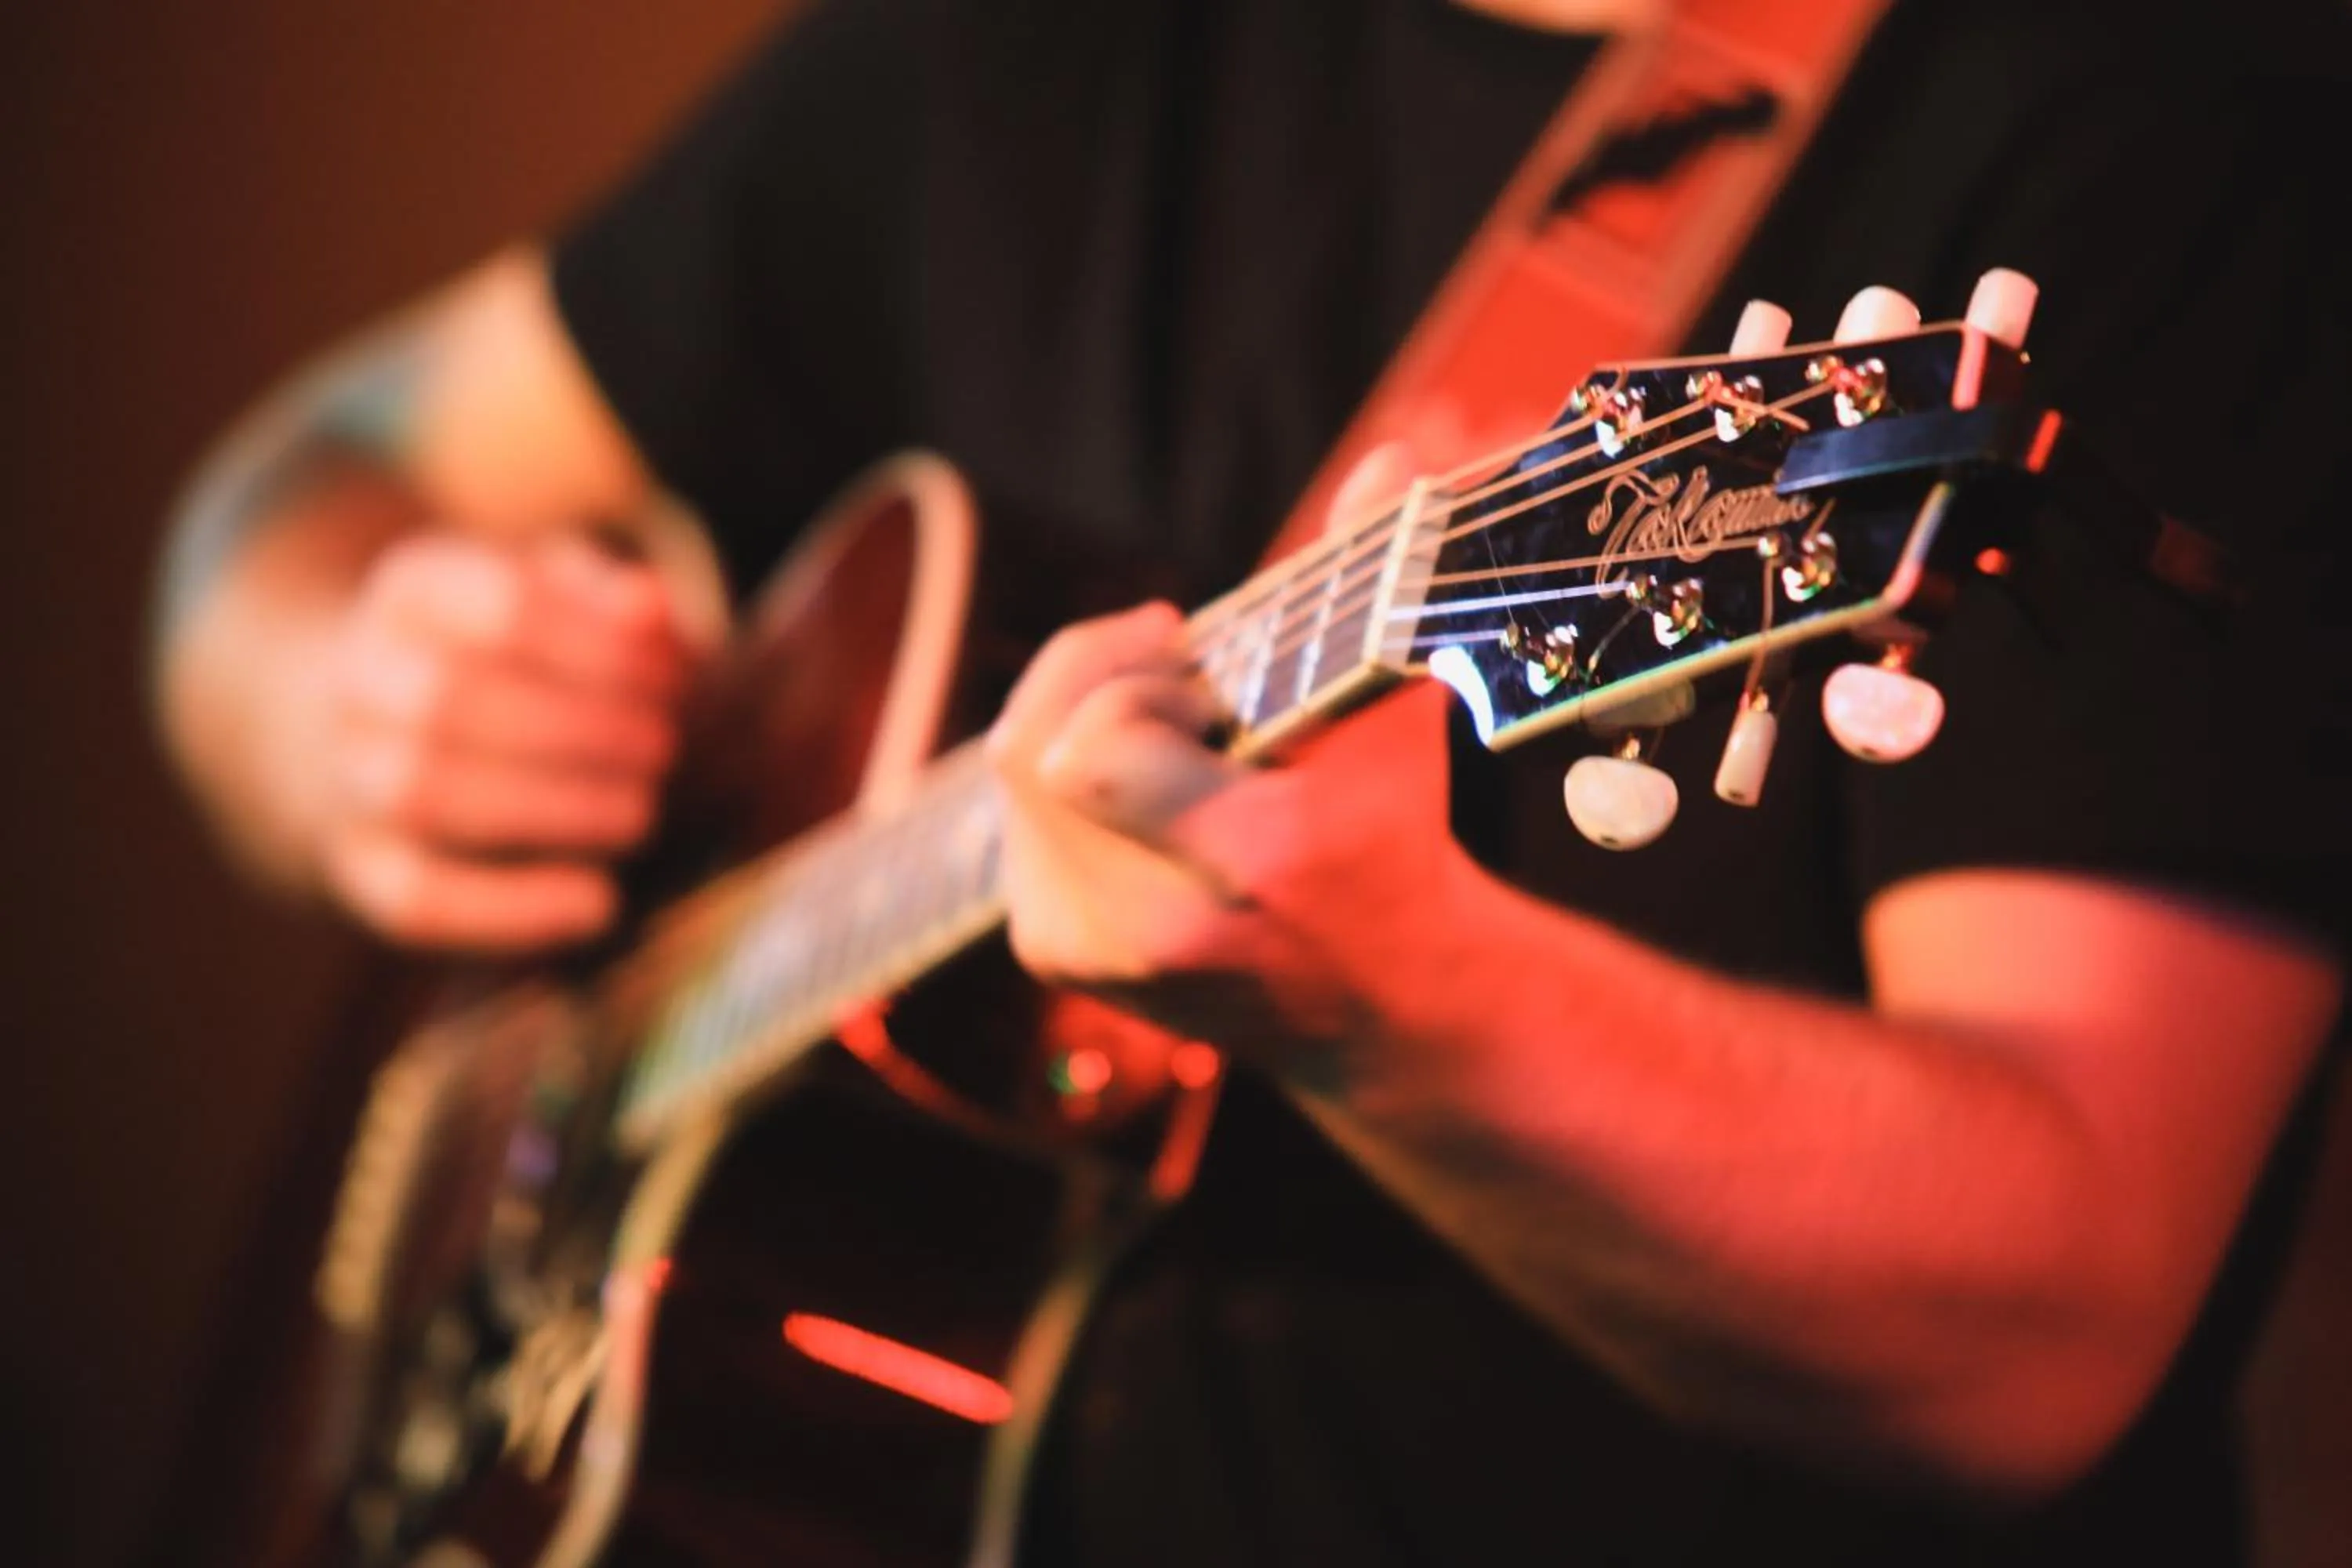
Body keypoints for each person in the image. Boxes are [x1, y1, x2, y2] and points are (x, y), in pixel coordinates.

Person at [152, 0, 2352, 1560]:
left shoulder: (2161, 140)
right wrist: (340, 689)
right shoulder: (1006, 58)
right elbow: (289, 496)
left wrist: (1394, 995)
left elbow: (2051, 1330)